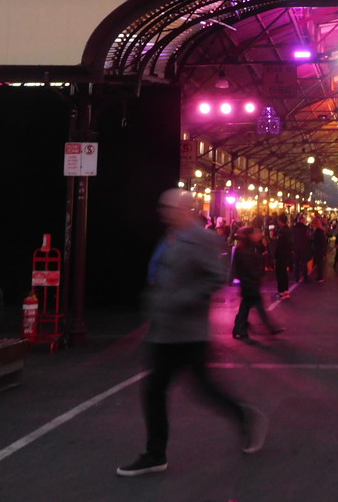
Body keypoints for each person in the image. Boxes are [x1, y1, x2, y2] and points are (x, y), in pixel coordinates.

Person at [117, 189, 267, 477]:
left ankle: (159, 452)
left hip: (187, 330)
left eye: (168, 207)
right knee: (164, 389)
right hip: (166, 328)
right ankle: (157, 452)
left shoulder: (202, 238)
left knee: (190, 388)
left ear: (184, 209)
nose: (163, 212)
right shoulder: (171, 236)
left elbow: (214, 278)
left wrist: (178, 300)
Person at [231, 226, 283, 340]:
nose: (259, 235)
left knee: (246, 307)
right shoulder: (246, 249)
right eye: (256, 233)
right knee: (256, 307)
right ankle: (269, 327)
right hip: (249, 283)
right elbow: (249, 268)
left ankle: (239, 328)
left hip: (248, 283)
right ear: (250, 235)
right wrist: (259, 276)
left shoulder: (248, 248)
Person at [273, 214, 293, 299]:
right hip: (287, 254)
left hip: (281, 255)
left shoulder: (282, 231)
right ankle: (286, 291)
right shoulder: (289, 230)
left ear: (280, 221)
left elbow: (279, 245)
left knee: (280, 274)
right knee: (284, 273)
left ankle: (281, 292)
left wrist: (275, 256)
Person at [292, 214, 312, 284]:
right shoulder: (305, 228)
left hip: (296, 247)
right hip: (303, 247)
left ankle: (296, 278)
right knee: (304, 263)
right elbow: (309, 236)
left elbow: (292, 238)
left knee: (296, 263)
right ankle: (305, 278)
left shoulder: (294, 228)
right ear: (302, 220)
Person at [310, 216, 328, 283]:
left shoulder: (318, 231)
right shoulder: (320, 231)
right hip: (320, 249)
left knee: (319, 264)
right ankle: (319, 277)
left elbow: (318, 241)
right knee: (319, 264)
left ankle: (320, 277)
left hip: (319, 250)